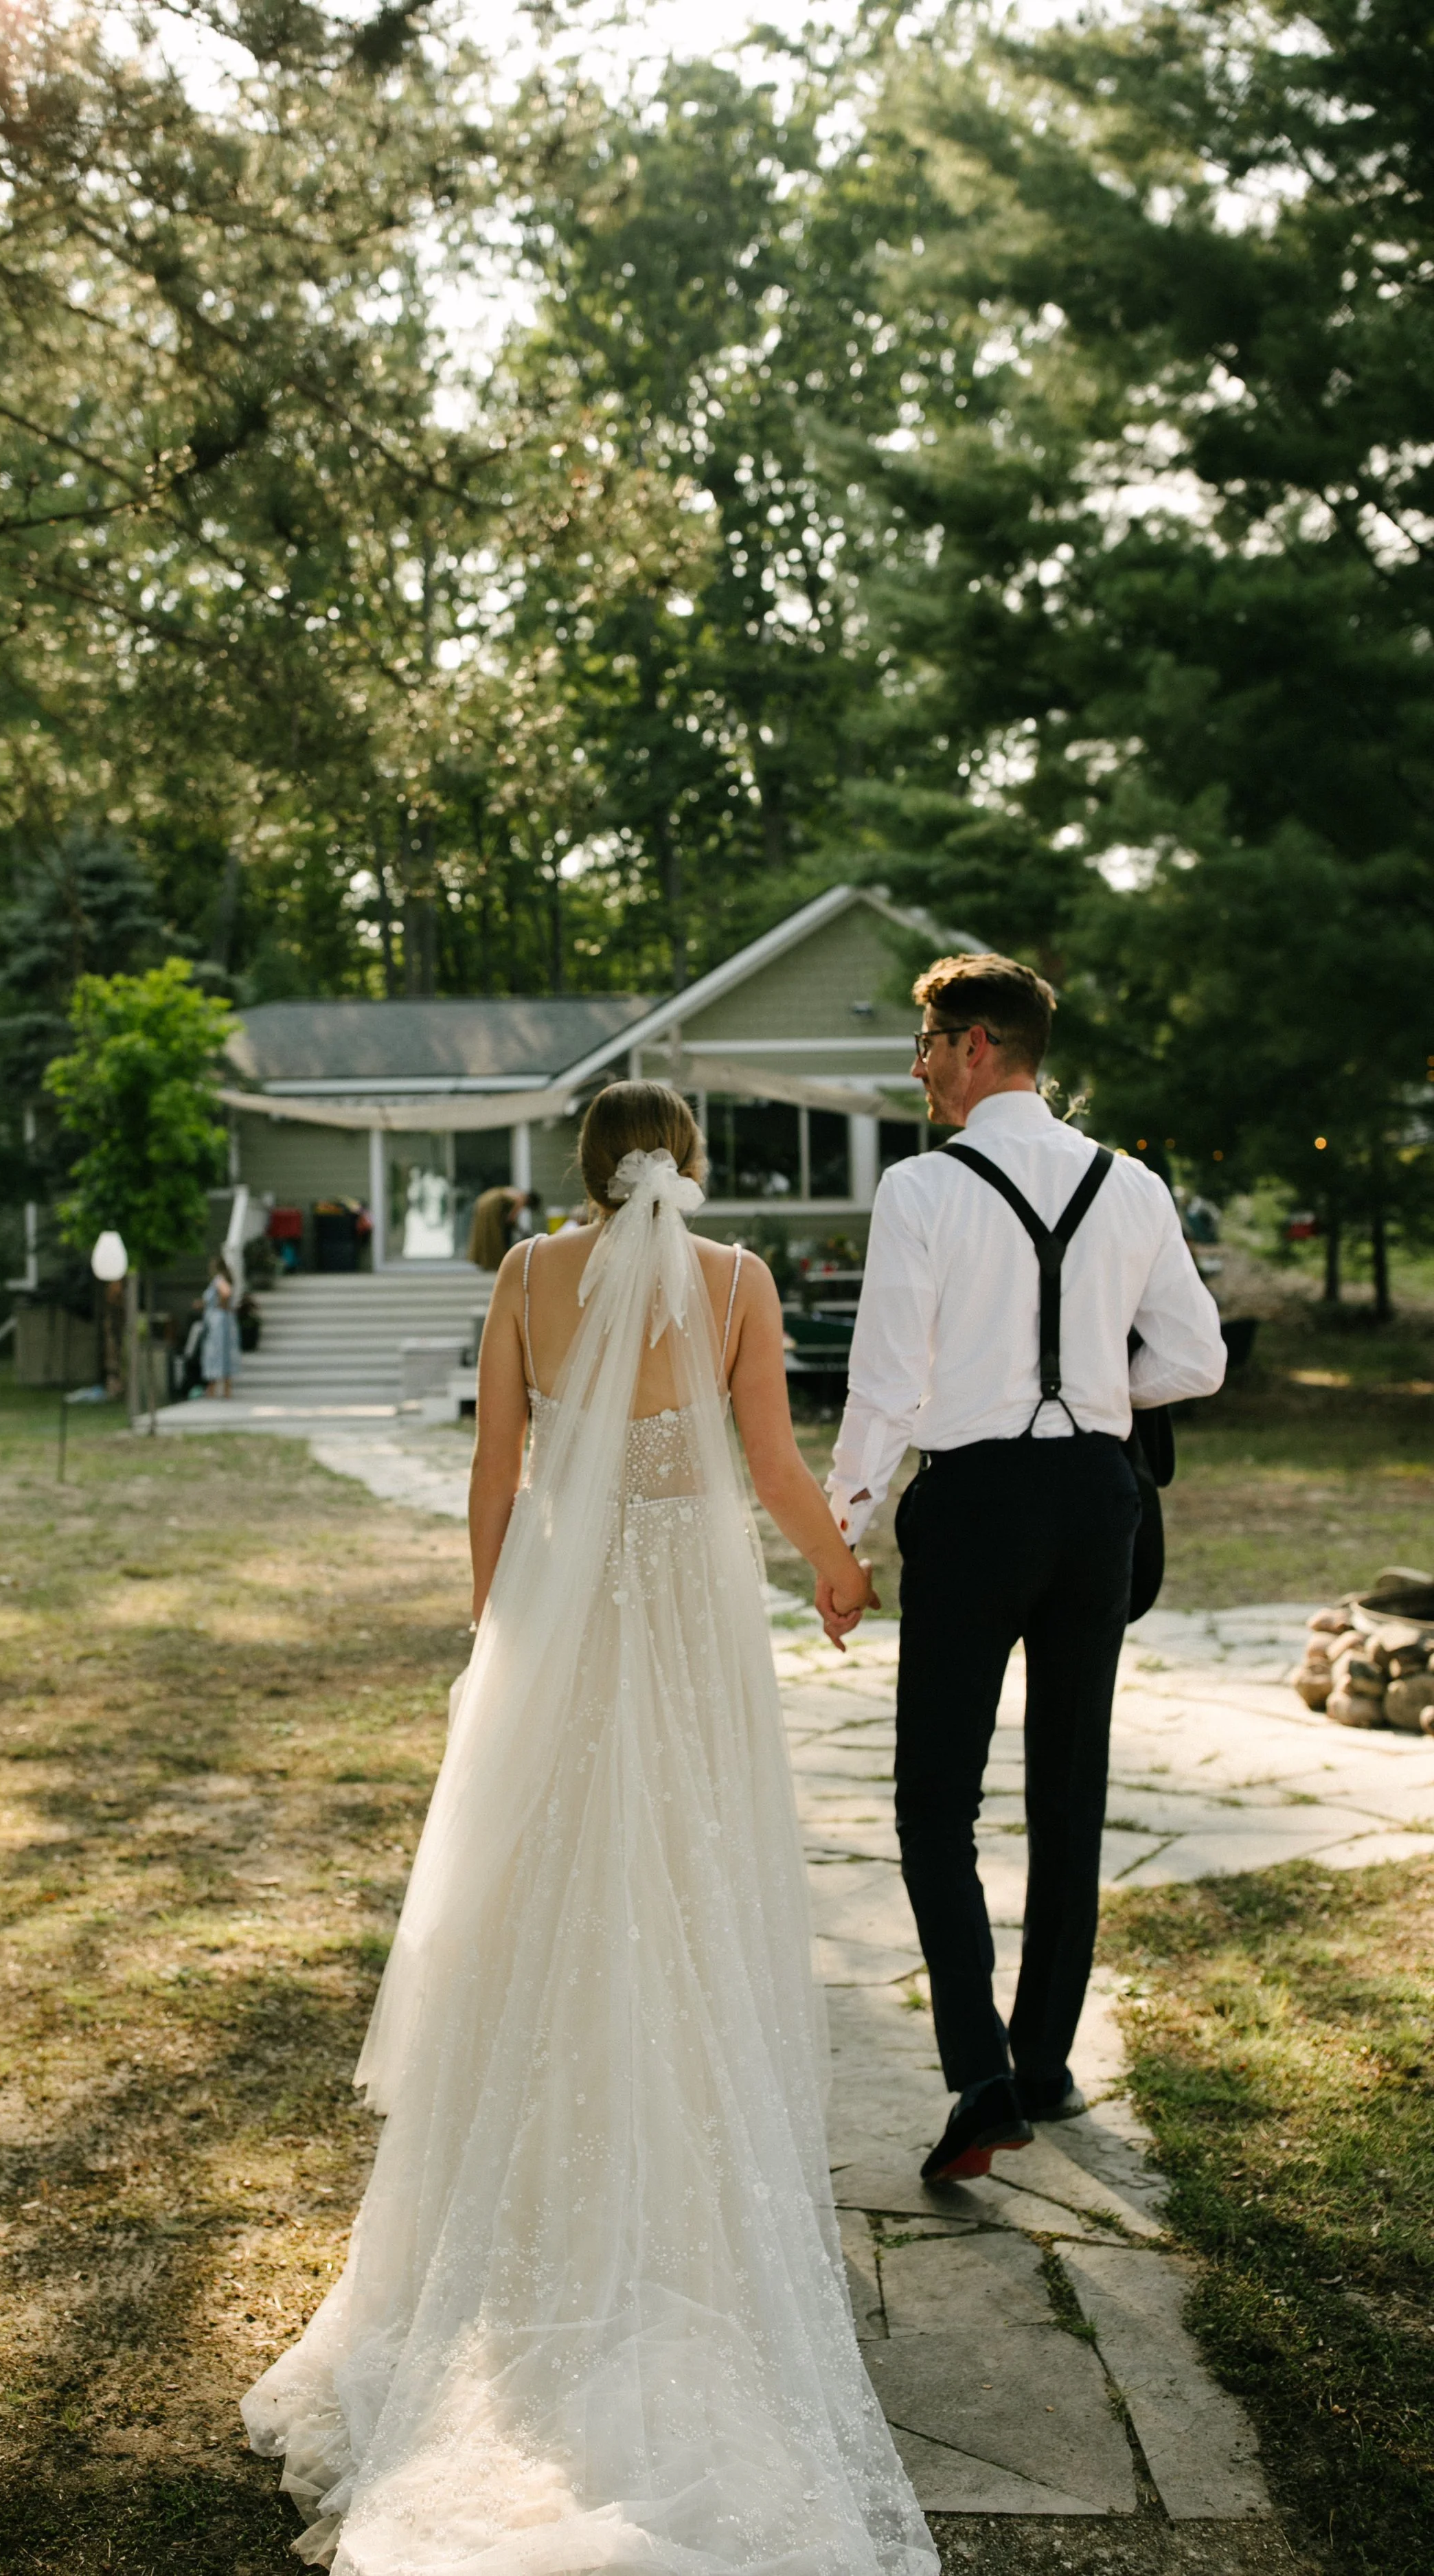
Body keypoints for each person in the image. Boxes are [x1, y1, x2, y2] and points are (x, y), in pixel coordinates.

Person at [242, 1081, 938, 2576]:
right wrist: (834, 1566)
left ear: (579, 1169)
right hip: (689, 1629)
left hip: (563, 1632)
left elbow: (492, 1474)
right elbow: (765, 1467)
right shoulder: (736, 1280)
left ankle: (529, 2208)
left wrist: (498, 1626)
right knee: (687, 1877)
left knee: (548, 1886)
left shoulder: (525, 1275)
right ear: (687, 1165)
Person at [823, 954, 1227, 2185]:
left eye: (931, 1045)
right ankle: (1044, 2059)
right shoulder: (1134, 1183)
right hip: (1096, 1503)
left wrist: (844, 1526)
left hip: (977, 1499)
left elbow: (889, 1381)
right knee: (1070, 1783)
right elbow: (1196, 1361)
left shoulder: (922, 1189)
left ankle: (981, 2071)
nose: (921, 1069)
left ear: (981, 1045)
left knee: (934, 1798)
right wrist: (1098, 1394)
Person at [200, 1254, 240, 1401]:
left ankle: (213, 1389)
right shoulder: (224, 1279)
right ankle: (225, 1389)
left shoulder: (219, 1280)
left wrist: (220, 1304)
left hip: (219, 1323)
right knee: (223, 1354)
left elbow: (226, 1293)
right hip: (224, 1321)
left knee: (216, 1353)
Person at [466, 1182, 527, 1272]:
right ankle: (498, 1262)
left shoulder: (512, 1191)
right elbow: (511, 1218)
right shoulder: (522, 1198)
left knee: (485, 1235)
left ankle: (485, 1262)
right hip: (492, 1206)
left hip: (483, 1202)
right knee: (495, 1237)